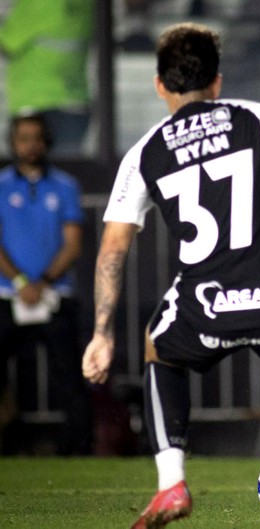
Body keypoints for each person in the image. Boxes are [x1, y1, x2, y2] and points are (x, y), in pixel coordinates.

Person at [81, 22, 260, 529]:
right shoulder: (253, 116)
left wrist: (103, 333)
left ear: (159, 85)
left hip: (204, 304)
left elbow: (112, 248)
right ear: (217, 81)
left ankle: (171, 484)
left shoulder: (144, 152)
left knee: (158, 348)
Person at [0, 113, 92, 455]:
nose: (31, 145)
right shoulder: (1, 185)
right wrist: (21, 282)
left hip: (55, 295)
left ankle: (78, 451)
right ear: (13, 143)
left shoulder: (65, 185)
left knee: (70, 377)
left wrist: (42, 283)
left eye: (37, 138)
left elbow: (73, 244)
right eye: (24, 138)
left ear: (47, 142)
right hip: (7, 295)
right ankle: (11, 444)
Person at [0, 0, 93, 158]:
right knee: (66, 169)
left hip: (35, 104)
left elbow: (6, 42)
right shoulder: (87, 4)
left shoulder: (38, 3)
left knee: (30, 171)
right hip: (75, 107)